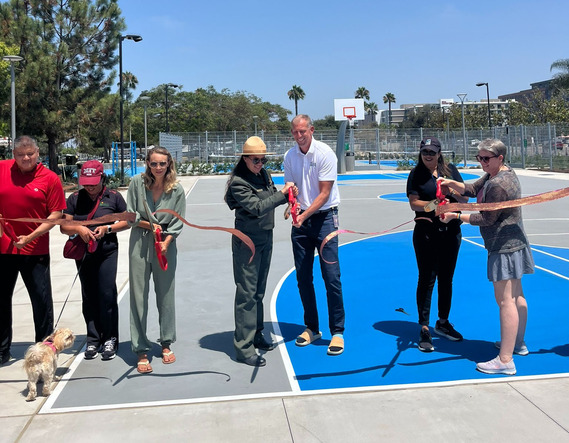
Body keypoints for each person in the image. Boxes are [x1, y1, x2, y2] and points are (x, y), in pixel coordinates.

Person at [439, 138, 534, 376]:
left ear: (499, 158)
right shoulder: (501, 173)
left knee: (505, 302)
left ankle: (505, 360)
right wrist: (453, 183)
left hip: (503, 246)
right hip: (516, 242)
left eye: (486, 159)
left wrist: (455, 215)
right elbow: (473, 189)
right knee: (517, 295)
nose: (481, 162)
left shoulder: (498, 185)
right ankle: (517, 344)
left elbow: (486, 218)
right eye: (479, 157)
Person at [225, 136, 297, 367]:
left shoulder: (262, 175)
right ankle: (243, 348)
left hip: (266, 235)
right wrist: (282, 195)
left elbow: (270, 195)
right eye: (255, 159)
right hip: (248, 240)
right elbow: (257, 207)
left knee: (258, 291)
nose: (260, 163)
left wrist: (286, 199)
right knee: (246, 293)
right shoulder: (238, 182)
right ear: (244, 159)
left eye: (263, 160)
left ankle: (256, 334)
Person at [283, 114, 346, 356]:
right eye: (295, 132)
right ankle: (312, 327)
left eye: (303, 132)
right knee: (303, 276)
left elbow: (324, 194)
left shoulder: (325, 153)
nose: (299, 136)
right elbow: (291, 189)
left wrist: (303, 215)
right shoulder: (290, 156)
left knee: (331, 277)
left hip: (325, 219)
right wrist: (292, 206)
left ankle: (337, 331)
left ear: (312, 129)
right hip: (302, 220)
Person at [0, 136, 66, 365]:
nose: (26, 158)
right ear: (13, 154)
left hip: (35, 250)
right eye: (20, 154)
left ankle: (45, 352)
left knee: (41, 302)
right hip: (3, 249)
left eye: (30, 154)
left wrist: (31, 236)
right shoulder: (1, 169)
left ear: (38, 153)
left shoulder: (50, 179)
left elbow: (56, 215)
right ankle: (2, 351)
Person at [60, 160, 129, 361]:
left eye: (94, 182)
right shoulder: (74, 198)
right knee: (88, 295)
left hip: (107, 251)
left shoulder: (114, 197)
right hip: (84, 253)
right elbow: (64, 226)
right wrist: (79, 229)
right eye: (86, 182)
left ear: (102, 178)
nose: (89, 186)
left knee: (106, 294)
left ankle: (110, 338)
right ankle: (93, 339)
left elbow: (128, 221)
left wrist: (108, 228)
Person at [406, 137, 469, 352]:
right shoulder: (416, 174)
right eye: (425, 152)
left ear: (439, 153)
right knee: (426, 279)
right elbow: (414, 203)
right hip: (426, 234)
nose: (428, 155)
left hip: (451, 232)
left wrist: (450, 193)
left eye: (432, 152)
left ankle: (443, 322)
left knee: (446, 279)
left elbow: (465, 199)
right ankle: (424, 326)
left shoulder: (450, 171)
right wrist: (436, 204)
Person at [127, 147, 186, 374]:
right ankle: (141, 348)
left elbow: (178, 222)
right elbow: (131, 215)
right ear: (148, 164)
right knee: (138, 297)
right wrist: (150, 226)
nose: (158, 168)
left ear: (169, 164)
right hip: (140, 244)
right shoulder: (136, 184)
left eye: (162, 164)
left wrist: (166, 241)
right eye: (154, 163)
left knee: (166, 295)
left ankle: (166, 342)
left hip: (166, 246)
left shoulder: (176, 190)